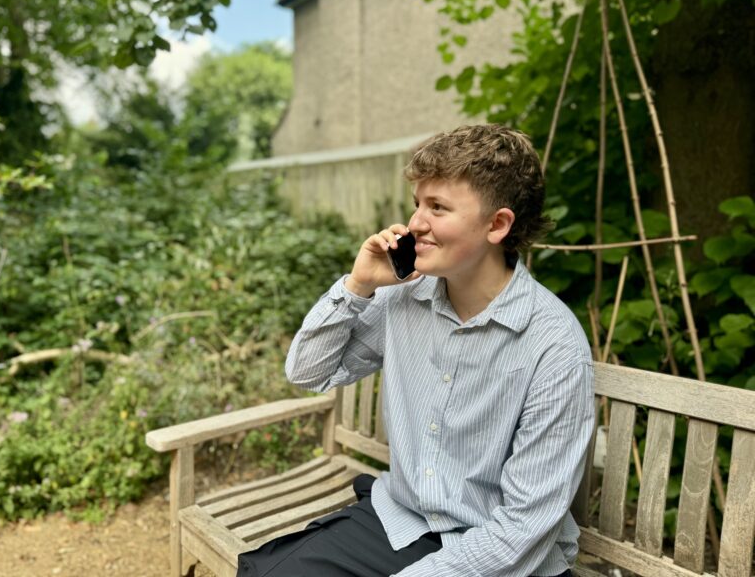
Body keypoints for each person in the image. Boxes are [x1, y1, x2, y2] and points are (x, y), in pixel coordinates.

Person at [237, 124, 595, 577]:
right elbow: (308, 372)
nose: (415, 224)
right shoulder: (404, 295)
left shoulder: (554, 346)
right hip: (404, 521)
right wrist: (359, 285)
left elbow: (523, 528)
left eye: (438, 208)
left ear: (497, 224)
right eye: (417, 205)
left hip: (503, 554)